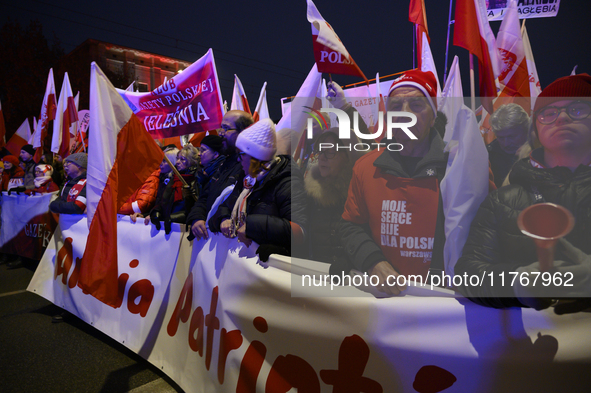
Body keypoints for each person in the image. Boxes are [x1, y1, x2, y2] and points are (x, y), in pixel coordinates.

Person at [455, 73, 591, 314]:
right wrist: (517, 283)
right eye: (549, 113)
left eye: (577, 109)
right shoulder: (503, 200)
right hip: (527, 347)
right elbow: (467, 274)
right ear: (536, 128)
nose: (561, 118)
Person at [339, 69, 449, 295]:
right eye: (396, 107)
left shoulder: (458, 168)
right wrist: (372, 261)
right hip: (384, 300)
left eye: (416, 105)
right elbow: (351, 225)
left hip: (444, 305)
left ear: (433, 116)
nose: (404, 114)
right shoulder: (366, 168)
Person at [210, 119, 306, 259]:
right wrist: (224, 219)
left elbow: (300, 231)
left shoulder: (287, 181)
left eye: (241, 155)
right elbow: (225, 206)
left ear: (255, 157)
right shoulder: (247, 179)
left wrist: (252, 225)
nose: (238, 160)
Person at [186, 110, 254, 240]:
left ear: (244, 131)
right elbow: (205, 197)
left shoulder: (248, 166)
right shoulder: (224, 164)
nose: (220, 133)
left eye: (226, 128)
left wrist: (223, 218)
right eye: (221, 128)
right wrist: (197, 217)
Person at [304, 130, 358, 272]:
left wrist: (350, 260)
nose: (321, 158)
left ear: (347, 156)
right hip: (316, 276)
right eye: (321, 152)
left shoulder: (358, 192)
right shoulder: (312, 193)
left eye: (330, 152)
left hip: (352, 282)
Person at [487, 104, 530, 188]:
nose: (506, 143)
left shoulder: (542, 152)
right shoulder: (488, 155)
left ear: (526, 130)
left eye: (511, 136)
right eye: (500, 137)